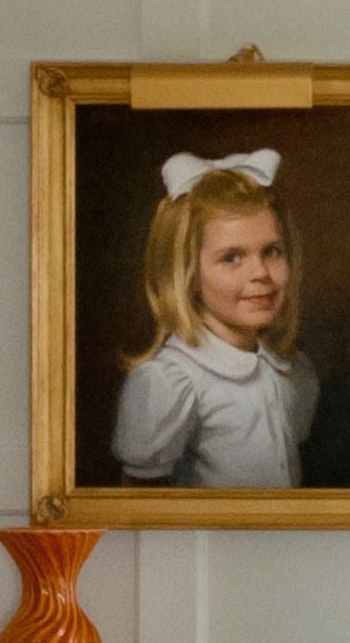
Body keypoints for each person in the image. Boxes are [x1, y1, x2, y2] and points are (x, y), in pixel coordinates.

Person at [113, 149, 319, 489]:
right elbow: (139, 499)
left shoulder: (293, 372)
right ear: (188, 274)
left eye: (271, 252)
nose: (260, 273)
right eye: (232, 257)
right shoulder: (171, 381)